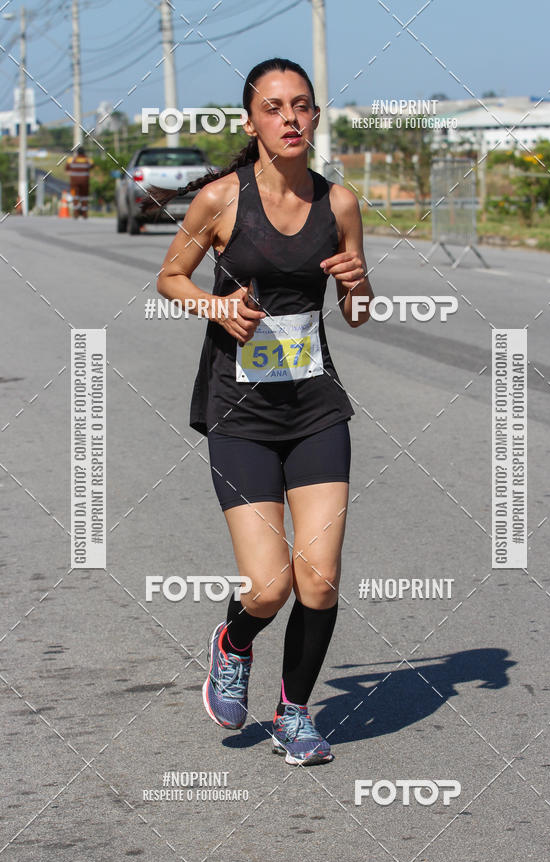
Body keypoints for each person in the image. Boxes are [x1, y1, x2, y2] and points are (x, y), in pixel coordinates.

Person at [153, 58, 373, 766]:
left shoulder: (339, 205)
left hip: (314, 409)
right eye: (274, 107)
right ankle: (233, 643)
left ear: (314, 117)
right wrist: (216, 305)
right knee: (271, 585)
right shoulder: (220, 200)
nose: (290, 118)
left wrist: (360, 283)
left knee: (320, 577)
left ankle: (294, 714)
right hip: (239, 413)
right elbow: (169, 276)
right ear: (252, 124)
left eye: (302, 106)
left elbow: (359, 314)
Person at [65, 145, 93, 218]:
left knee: (74, 195)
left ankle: (76, 212)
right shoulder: (88, 160)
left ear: (77, 153)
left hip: (74, 182)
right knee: (84, 197)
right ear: (84, 153)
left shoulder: (71, 160)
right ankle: (84, 213)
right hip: (84, 182)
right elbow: (92, 166)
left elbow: (67, 168)